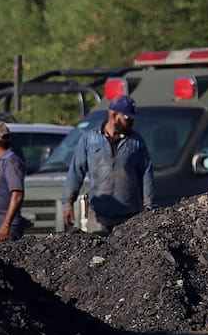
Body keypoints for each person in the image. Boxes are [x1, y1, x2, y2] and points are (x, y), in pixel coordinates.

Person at [62, 95, 156, 233]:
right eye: (127, 118)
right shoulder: (90, 139)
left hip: (129, 215)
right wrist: (67, 203)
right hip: (98, 215)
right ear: (113, 115)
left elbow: (147, 174)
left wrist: (149, 206)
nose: (131, 122)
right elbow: (76, 172)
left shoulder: (136, 142)